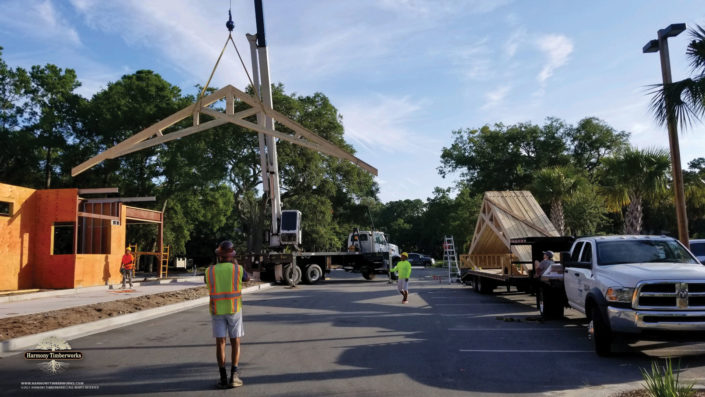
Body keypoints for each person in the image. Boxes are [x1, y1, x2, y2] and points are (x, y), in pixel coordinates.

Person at [205, 240, 250, 389]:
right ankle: (234, 376)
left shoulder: (209, 271)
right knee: (235, 341)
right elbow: (247, 278)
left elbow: (207, 281)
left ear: (218, 255)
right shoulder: (238, 269)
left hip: (217, 310)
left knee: (220, 342)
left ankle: (223, 377)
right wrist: (235, 263)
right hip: (234, 309)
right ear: (232, 255)